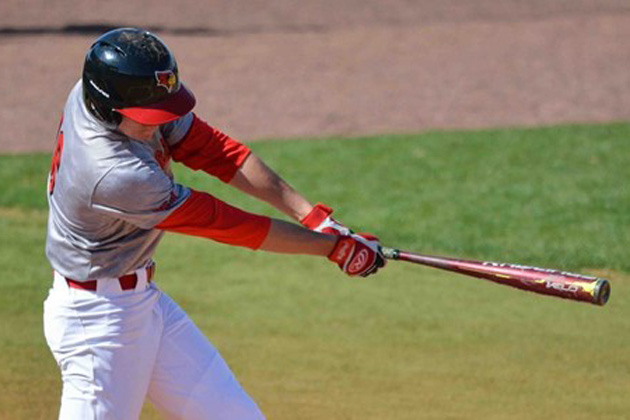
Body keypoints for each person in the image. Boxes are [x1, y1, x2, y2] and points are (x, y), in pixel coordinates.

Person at [44, 27, 386, 420]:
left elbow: (216, 152)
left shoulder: (107, 93)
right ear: (107, 107)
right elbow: (226, 224)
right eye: (148, 119)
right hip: (97, 324)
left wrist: (314, 217)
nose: (159, 126)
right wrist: (332, 247)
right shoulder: (115, 174)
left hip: (141, 302)